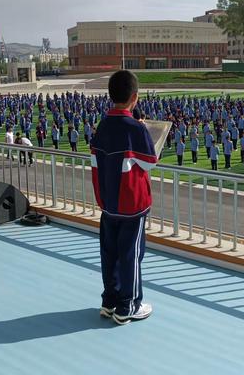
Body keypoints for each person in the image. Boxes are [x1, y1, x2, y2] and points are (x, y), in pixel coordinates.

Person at [90, 70, 157, 325]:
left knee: (109, 253)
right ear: (135, 98)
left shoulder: (103, 124)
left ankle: (110, 301)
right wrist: (144, 130)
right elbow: (150, 162)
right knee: (131, 255)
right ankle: (128, 305)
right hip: (131, 205)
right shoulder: (134, 128)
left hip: (108, 202)